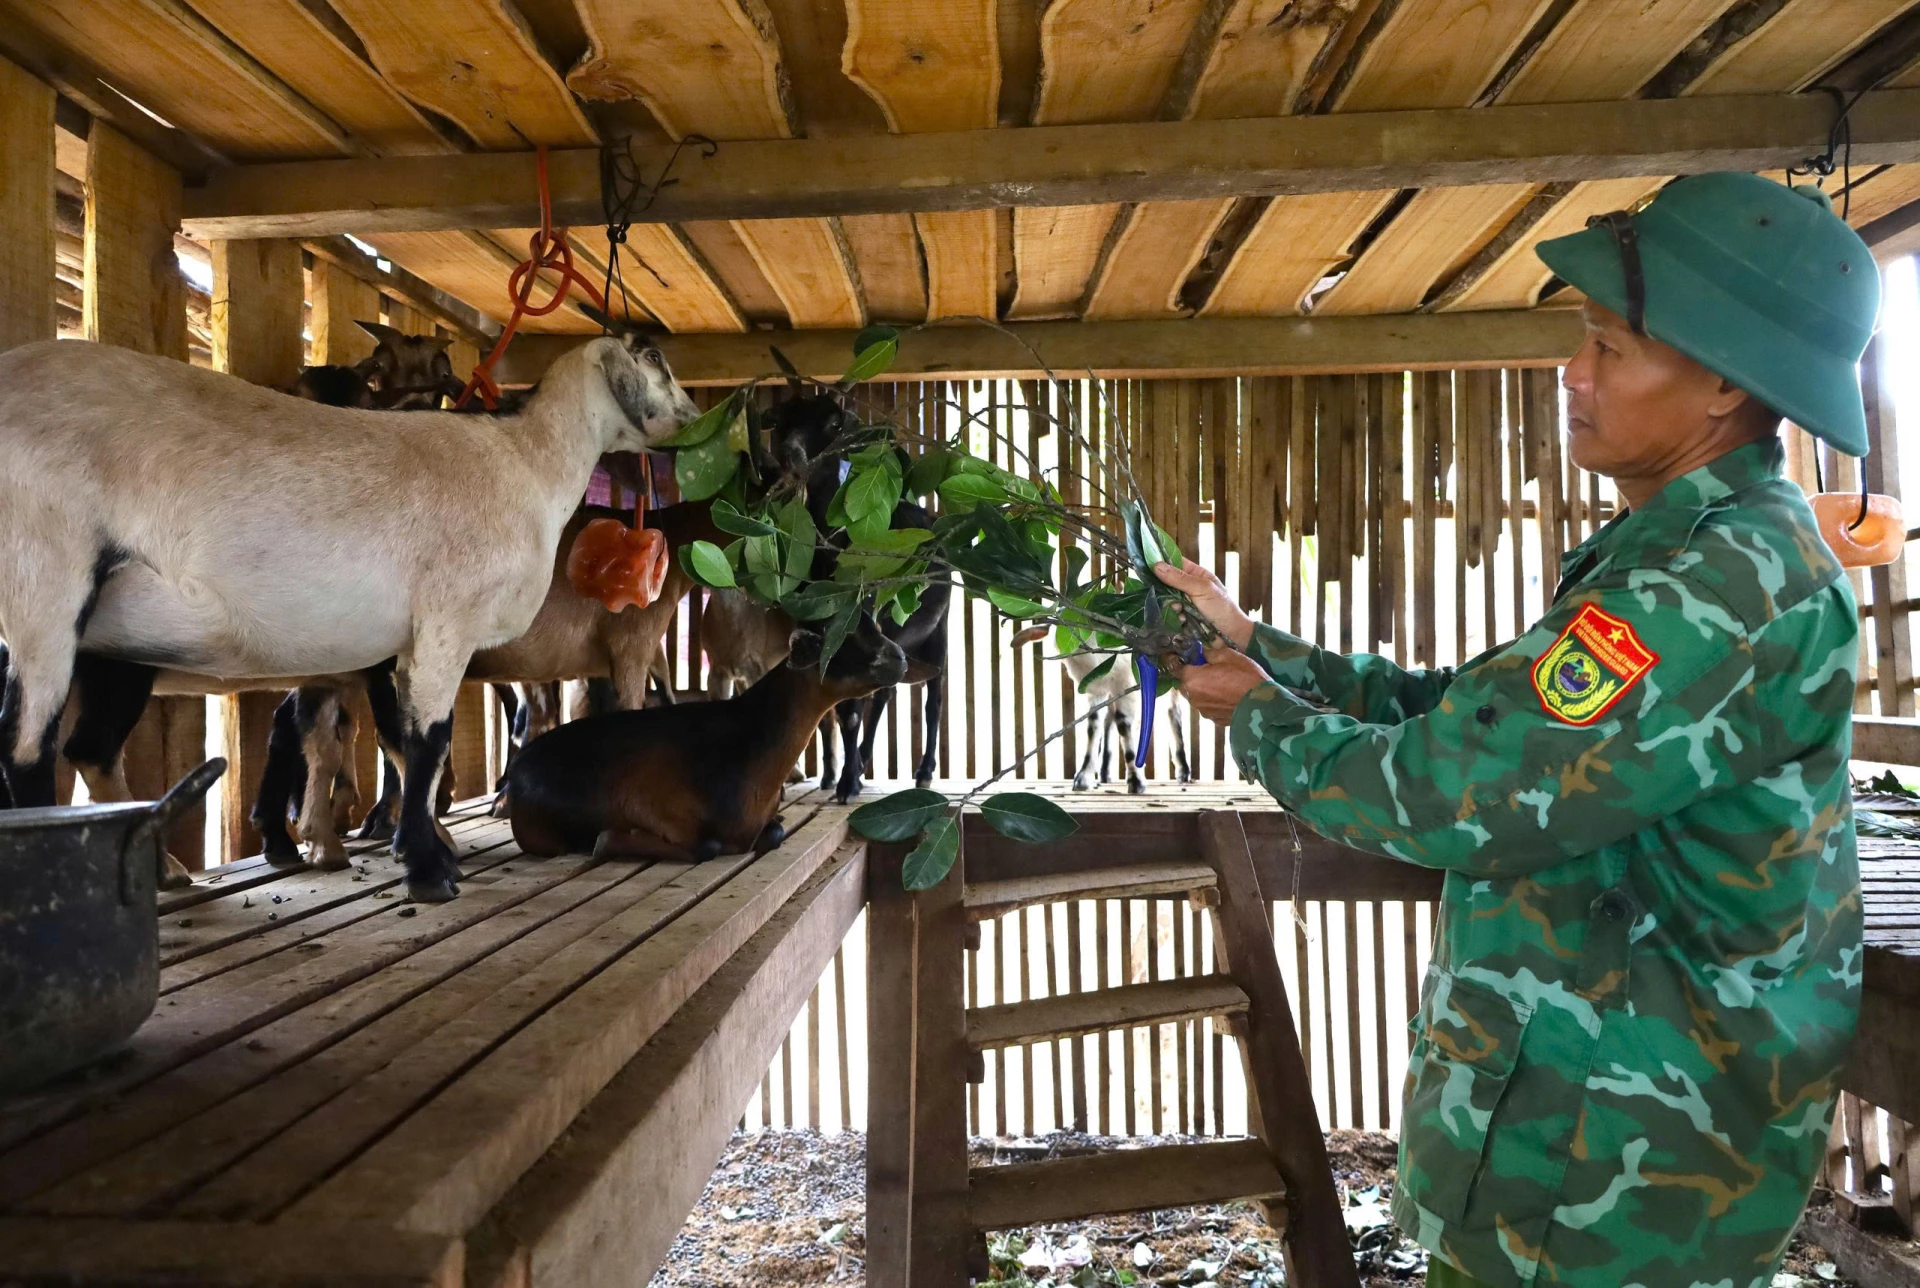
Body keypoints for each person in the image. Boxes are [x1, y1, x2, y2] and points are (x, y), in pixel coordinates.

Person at [1157, 172, 1879, 1288]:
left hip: (1617, 1189)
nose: (1572, 372)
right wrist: (1267, 651)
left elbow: (1464, 788)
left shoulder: (1720, 588)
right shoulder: (1675, 551)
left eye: (1611, 348)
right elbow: (1487, 714)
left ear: (1724, 385)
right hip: (1573, 1146)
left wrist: (1263, 719)